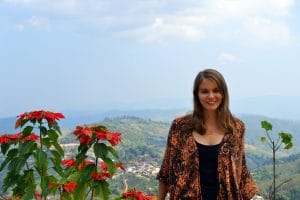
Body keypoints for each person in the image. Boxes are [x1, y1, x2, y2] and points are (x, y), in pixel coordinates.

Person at [157, 69, 258, 200]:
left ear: (223, 93)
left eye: (216, 90)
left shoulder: (236, 128)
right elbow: (166, 171)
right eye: (205, 91)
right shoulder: (180, 127)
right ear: (197, 95)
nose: (211, 96)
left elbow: (241, 171)